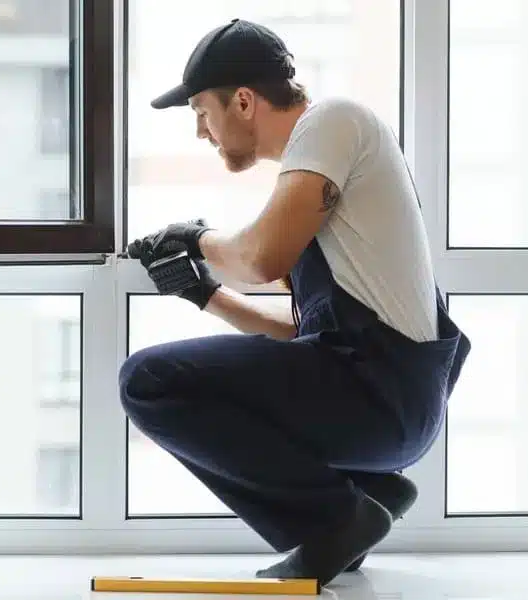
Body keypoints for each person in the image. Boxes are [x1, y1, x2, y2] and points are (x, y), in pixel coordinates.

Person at [119, 18, 471, 587]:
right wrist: (205, 293)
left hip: (381, 392)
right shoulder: (321, 170)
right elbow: (303, 333)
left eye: (203, 114)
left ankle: (339, 517)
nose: (203, 135)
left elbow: (260, 259)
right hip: (383, 399)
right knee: (199, 379)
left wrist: (195, 240)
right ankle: (364, 496)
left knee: (146, 381)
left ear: (243, 100)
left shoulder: (332, 123)